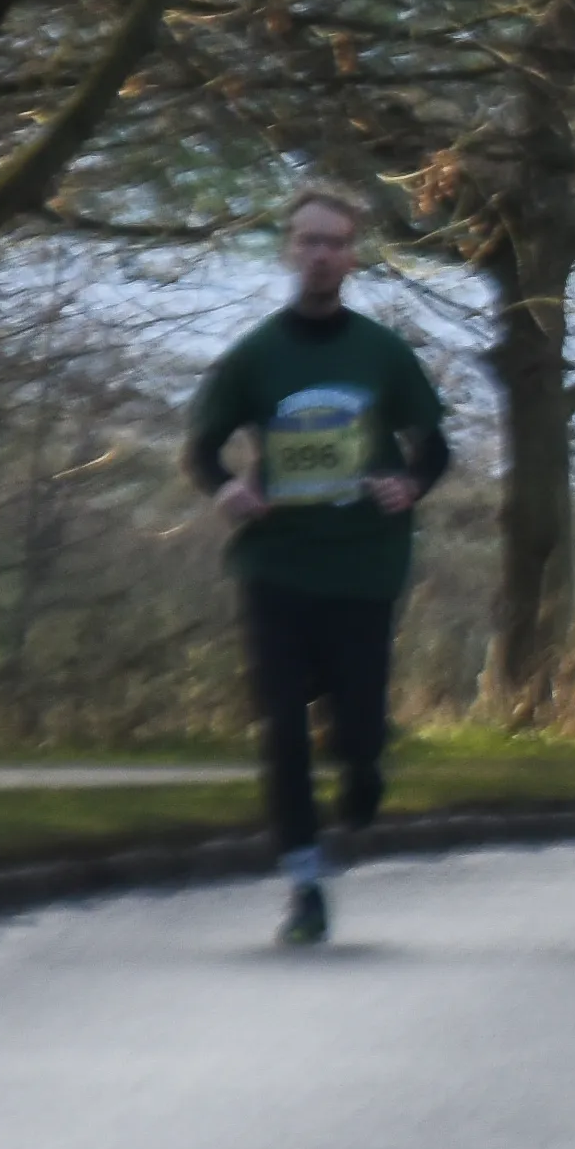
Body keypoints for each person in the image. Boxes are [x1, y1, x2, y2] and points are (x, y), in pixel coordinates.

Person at [182, 191, 451, 948]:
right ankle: (304, 885)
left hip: (363, 567)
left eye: (334, 243)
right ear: (287, 251)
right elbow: (201, 446)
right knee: (283, 730)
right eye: (307, 241)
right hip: (276, 565)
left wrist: (410, 484)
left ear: (353, 256)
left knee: (358, 730)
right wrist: (228, 486)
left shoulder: (381, 353)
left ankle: (364, 774)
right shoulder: (256, 354)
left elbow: (431, 443)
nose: (320, 254)